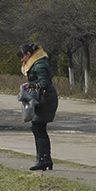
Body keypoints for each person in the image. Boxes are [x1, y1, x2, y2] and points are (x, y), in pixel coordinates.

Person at [19, 43, 59, 171]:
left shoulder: (39, 64)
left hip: (46, 100)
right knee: (40, 129)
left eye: (23, 56)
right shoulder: (37, 62)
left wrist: (30, 86)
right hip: (44, 99)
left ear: (29, 54)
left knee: (37, 127)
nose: (22, 60)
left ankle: (42, 159)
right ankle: (46, 159)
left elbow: (44, 83)